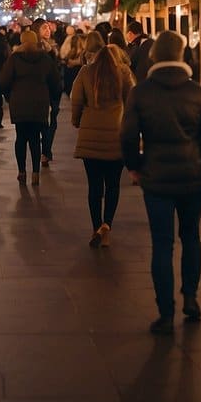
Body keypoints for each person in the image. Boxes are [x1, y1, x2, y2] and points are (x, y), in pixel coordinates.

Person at [121, 30, 201, 335]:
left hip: (156, 178)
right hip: (193, 177)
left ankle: (165, 311)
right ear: (183, 56)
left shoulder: (141, 93)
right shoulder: (198, 93)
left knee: (162, 243)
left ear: (154, 57)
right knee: (191, 237)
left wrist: (135, 166)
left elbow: (128, 135)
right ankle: (191, 298)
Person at [72, 39, 136, 247]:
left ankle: (95, 226)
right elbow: (132, 102)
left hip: (90, 137)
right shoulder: (124, 73)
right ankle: (107, 225)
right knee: (113, 184)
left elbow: (77, 100)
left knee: (94, 186)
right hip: (116, 135)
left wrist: (76, 121)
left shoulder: (85, 72)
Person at [0, 29, 61, 185]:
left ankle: (21, 171)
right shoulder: (45, 58)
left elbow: (3, 81)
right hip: (40, 103)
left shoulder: (14, 59)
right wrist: (52, 98)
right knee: (34, 138)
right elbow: (56, 83)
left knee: (21, 138)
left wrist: (8, 95)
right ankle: (35, 172)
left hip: (19, 103)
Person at [36, 18, 63, 167]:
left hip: (54, 90)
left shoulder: (51, 46)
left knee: (52, 121)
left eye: (48, 28)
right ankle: (45, 151)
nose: (48, 30)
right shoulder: (38, 50)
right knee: (45, 122)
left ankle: (46, 150)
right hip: (44, 90)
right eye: (44, 28)